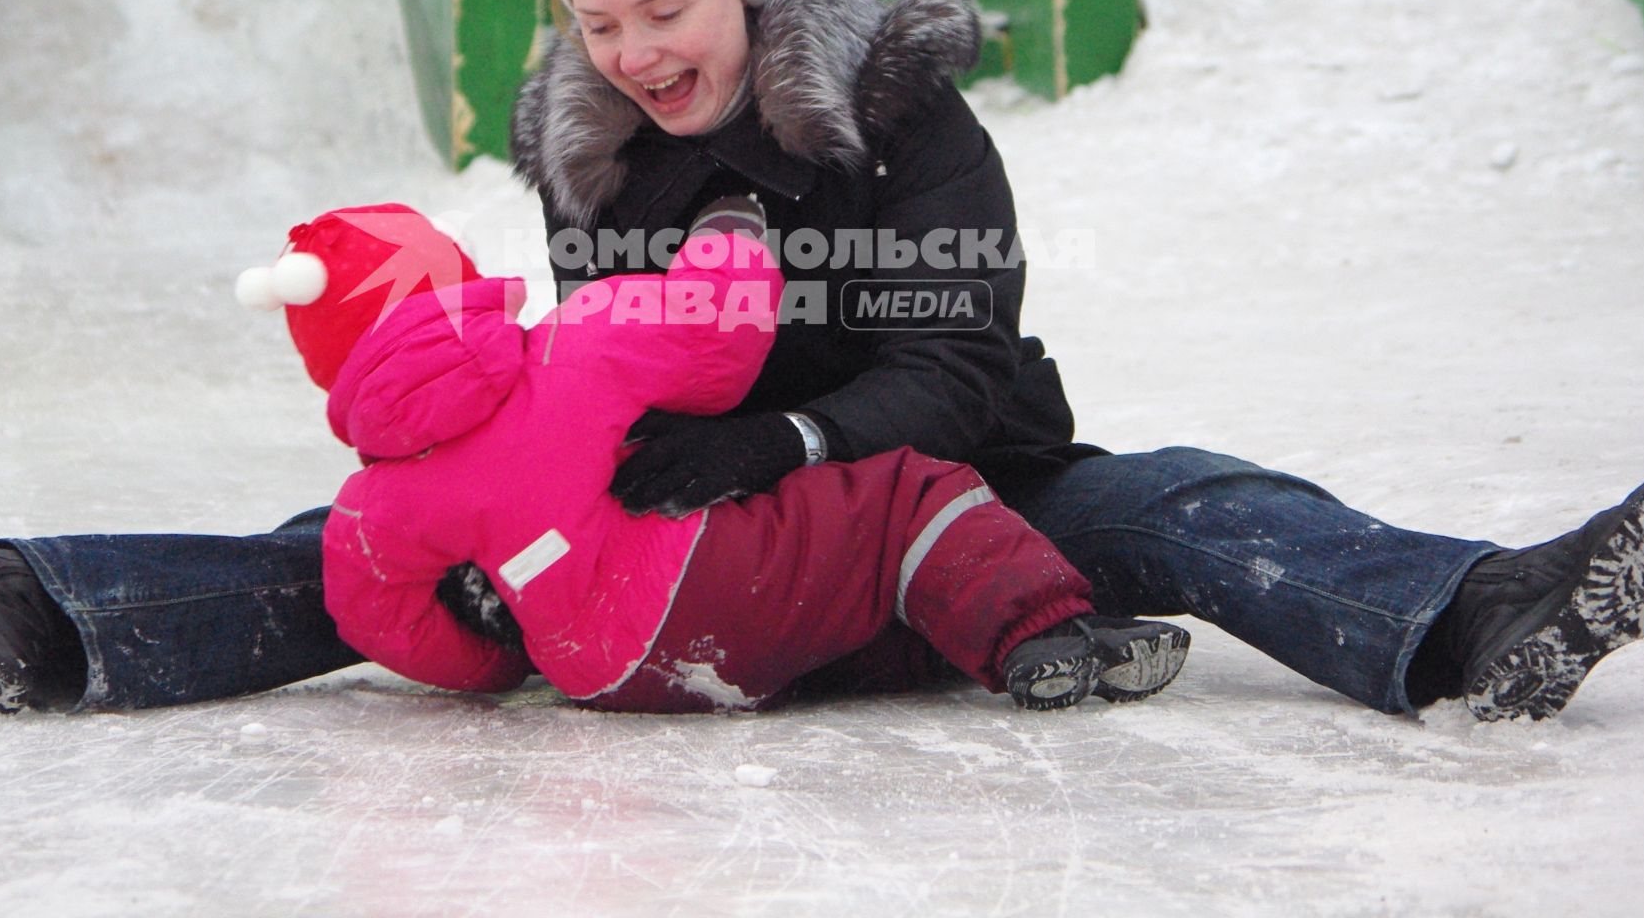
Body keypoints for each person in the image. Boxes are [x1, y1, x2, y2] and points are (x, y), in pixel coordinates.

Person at [0, 0, 1644, 723]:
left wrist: (789, 445)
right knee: (348, 543)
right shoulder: (598, 163)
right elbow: (565, 391)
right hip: (670, 558)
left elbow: (962, 358)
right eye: (594, 25)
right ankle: (27, 617)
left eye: (657, 8)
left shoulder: (904, 114)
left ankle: (1477, 620)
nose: (629, 55)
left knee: (1182, 498)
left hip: (939, 508)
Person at [245, 196, 1190, 713]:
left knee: (836, 595)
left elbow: (379, 619)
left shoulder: (373, 506)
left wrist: (502, 666)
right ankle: (1045, 636)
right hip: (696, 579)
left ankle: (934, 638)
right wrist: (726, 232)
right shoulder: (575, 345)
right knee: (905, 497)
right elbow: (722, 328)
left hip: (606, 675)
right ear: (454, 277)